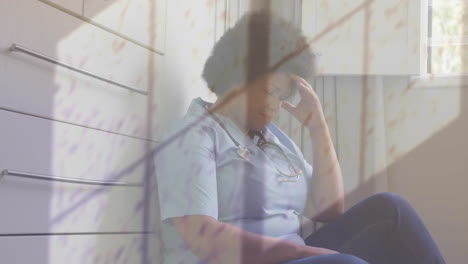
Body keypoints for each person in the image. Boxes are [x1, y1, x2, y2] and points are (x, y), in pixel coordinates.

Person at [154, 10, 446, 264]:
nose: (275, 107)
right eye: (270, 91)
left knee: (391, 210)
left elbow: (329, 209)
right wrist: (306, 255)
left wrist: (318, 127)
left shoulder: (273, 139)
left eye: (282, 97)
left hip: (294, 256)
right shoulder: (193, 135)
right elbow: (203, 237)